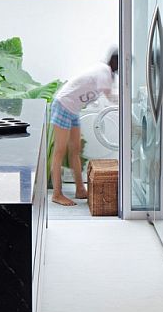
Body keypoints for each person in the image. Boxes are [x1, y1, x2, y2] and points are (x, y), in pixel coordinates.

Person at [49, 48, 118, 206]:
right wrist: (127, 99)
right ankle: (57, 194)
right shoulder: (104, 71)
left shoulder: (105, 73)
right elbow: (110, 96)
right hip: (63, 105)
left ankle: (80, 189)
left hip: (72, 109)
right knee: (60, 151)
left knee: (75, 150)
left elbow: (109, 94)